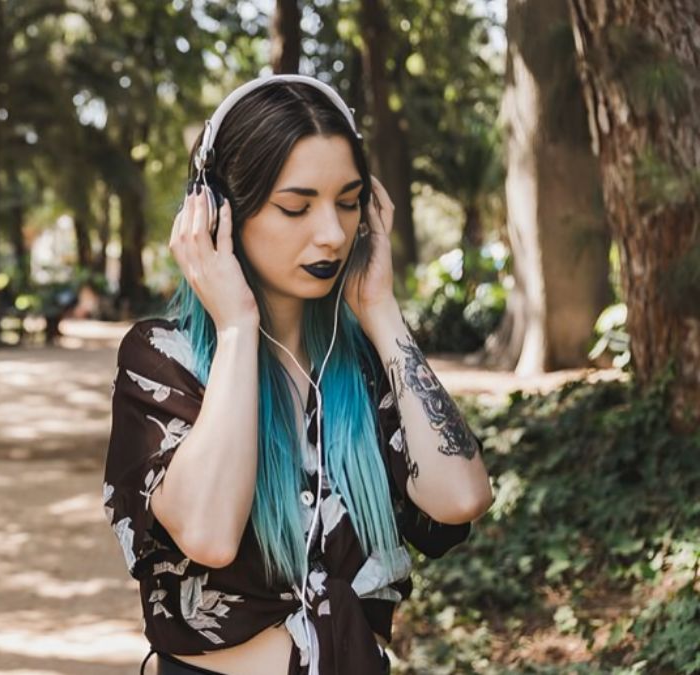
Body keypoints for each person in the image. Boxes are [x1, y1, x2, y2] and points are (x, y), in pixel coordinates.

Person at [101, 74, 494, 675]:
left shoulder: (366, 365)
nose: (332, 234)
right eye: (296, 205)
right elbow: (208, 534)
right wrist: (235, 328)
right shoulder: (161, 359)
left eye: (347, 201)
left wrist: (381, 308)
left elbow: (460, 498)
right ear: (217, 211)